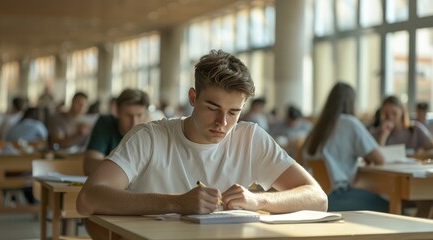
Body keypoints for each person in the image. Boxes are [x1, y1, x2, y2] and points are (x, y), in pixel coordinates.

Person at [77, 50, 327, 239]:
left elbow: (317, 198)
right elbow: (87, 198)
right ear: (193, 98)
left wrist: (258, 200)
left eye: (234, 112)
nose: (223, 123)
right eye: (213, 108)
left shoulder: (250, 138)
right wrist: (176, 203)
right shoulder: (150, 136)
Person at [300, 82, 388, 212]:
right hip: (338, 196)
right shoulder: (350, 123)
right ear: (351, 102)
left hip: (318, 196)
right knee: (389, 204)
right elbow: (380, 159)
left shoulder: (319, 127)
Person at [84, 89, 150, 175]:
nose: (134, 122)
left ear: (146, 114)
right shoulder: (106, 123)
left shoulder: (150, 130)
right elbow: (89, 166)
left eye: (139, 115)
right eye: (129, 115)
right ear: (117, 112)